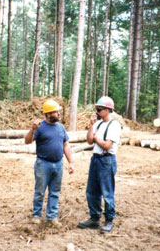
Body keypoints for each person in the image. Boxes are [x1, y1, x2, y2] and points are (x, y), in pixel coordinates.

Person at [25, 99, 74, 227]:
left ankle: (52, 217)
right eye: (55, 112)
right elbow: (27, 141)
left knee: (55, 192)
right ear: (48, 114)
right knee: (40, 191)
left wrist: (71, 162)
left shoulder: (61, 127)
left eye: (58, 111)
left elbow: (66, 145)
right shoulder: (40, 127)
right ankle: (36, 215)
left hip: (58, 164)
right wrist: (32, 130)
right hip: (43, 164)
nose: (58, 114)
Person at [78, 96, 121, 234]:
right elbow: (90, 140)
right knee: (92, 191)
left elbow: (107, 145)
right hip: (96, 159)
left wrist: (97, 138)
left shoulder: (114, 125)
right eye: (96, 109)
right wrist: (91, 125)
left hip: (106, 160)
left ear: (108, 110)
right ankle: (94, 218)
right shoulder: (98, 123)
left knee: (107, 192)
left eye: (99, 109)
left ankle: (109, 220)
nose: (96, 111)